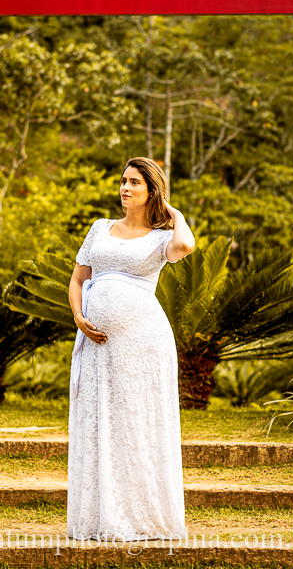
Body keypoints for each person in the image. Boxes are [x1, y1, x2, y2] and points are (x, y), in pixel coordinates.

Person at [65, 156, 196, 542]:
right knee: (99, 422)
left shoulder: (162, 237)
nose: (125, 187)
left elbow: (185, 245)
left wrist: (173, 211)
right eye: (123, 181)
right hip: (98, 344)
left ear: (152, 191)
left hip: (143, 343)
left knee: (137, 423)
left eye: (135, 182)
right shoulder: (99, 228)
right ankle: (100, 515)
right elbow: (78, 280)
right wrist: (78, 316)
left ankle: (143, 516)